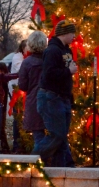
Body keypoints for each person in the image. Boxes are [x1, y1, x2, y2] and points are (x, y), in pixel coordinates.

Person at [32, 20, 78, 167]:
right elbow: (49, 74)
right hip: (51, 97)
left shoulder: (67, 50)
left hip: (63, 97)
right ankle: (32, 160)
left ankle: (62, 167)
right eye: (72, 33)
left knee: (62, 137)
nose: (74, 36)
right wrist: (68, 71)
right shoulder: (52, 51)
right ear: (64, 33)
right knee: (56, 135)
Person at [18, 31, 48, 153]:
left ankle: (38, 160)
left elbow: (23, 85)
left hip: (33, 101)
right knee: (54, 135)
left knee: (38, 136)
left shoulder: (27, 62)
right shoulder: (49, 60)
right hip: (50, 99)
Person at [9, 39, 29, 152]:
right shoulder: (18, 57)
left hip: (26, 92)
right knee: (18, 118)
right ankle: (17, 144)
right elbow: (21, 70)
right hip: (19, 92)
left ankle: (24, 143)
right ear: (23, 48)